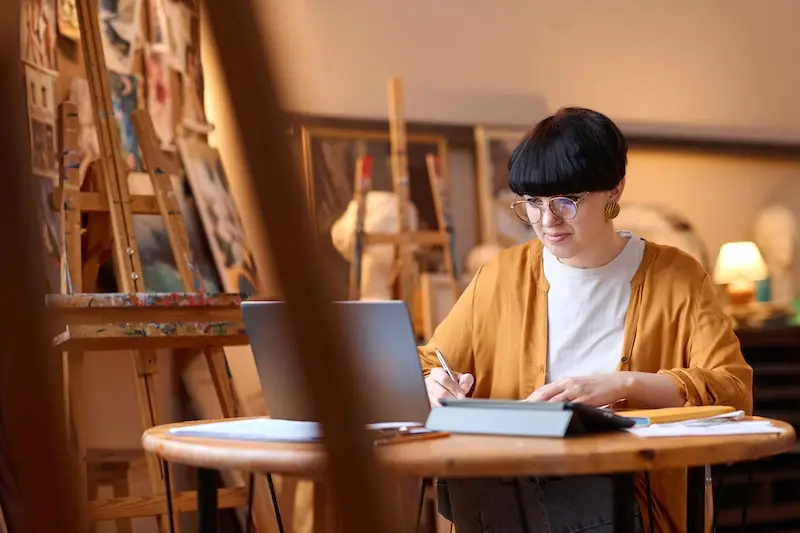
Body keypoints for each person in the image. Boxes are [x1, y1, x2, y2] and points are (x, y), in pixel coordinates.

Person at [418, 107, 752, 532]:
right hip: (507, 498)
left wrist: (623, 384)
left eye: (566, 201)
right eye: (533, 203)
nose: (547, 221)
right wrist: (432, 384)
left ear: (615, 188)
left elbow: (733, 390)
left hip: (625, 506)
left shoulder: (677, 277)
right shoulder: (501, 276)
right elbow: (429, 363)